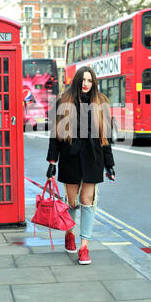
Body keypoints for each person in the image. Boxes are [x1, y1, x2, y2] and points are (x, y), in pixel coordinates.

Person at [46, 66, 115, 265]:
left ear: (93, 83)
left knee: (88, 202)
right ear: (77, 81)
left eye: (90, 80)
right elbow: (55, 137)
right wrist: (52, 162)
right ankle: (70, 232)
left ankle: (84, 247)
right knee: (72, 202)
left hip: (93, 157)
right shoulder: (64, 102)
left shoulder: (101, 103)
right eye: (83, 80)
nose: (86, 84)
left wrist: (109, 164)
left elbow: (106, 137)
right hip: (70, 157)